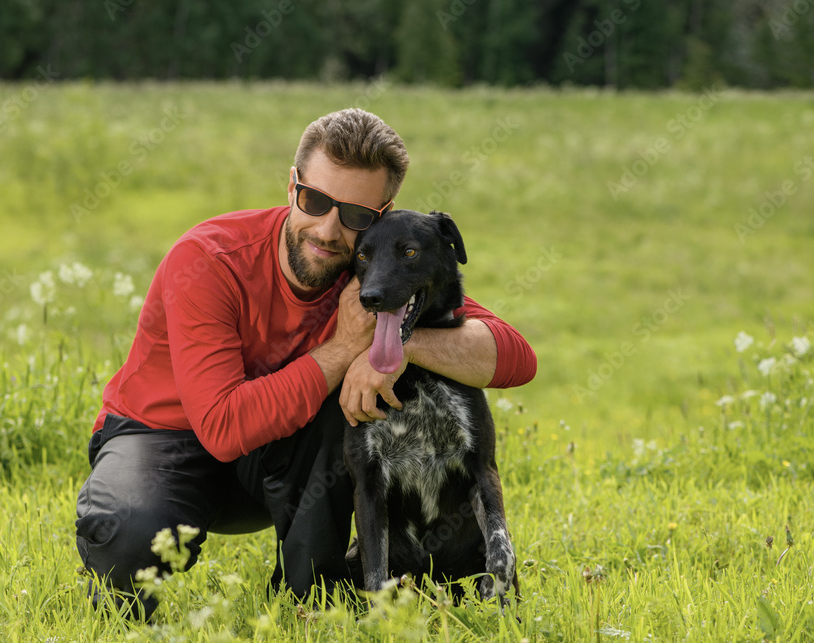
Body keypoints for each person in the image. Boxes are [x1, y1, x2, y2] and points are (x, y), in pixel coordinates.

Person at [75, 108, 537, 619]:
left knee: (348, 408)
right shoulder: (210, 258)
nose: (327, 229)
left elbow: (515, 356)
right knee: (129, 532)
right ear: (293, 186)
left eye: (356, 216)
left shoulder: (370, 274)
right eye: (314, 201)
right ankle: (119, 586)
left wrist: (399, 346)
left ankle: (310, 601)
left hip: (273, 460)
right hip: (160, 437)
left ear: (381, 217)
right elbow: (222, 427)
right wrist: (343, 350)